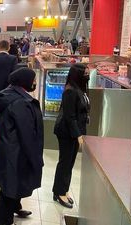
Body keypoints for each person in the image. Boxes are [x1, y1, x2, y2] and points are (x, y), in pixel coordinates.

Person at [0, 68, 44, 225]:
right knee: (10, 190)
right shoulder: (21, 103)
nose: (35, 82)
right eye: (33, 79)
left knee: (11, 186)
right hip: (17, 153)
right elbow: (27, 135)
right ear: (25, 81)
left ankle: (16, 207)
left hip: (8, 150)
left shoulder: (8, 95)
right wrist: (36, 160)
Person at [52, 64, 90, 208]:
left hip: (74, 131)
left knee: (70, 163)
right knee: (65, 162)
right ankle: (59, 192)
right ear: (78, 74)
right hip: (66, 132)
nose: (87, 75)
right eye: (85, 73)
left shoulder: (80, 89)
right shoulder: (70, 91)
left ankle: (63, 190)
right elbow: (69, 116)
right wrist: (78, 135)